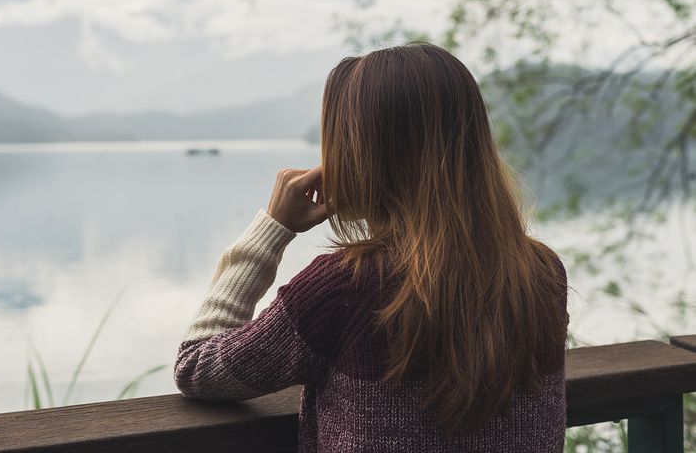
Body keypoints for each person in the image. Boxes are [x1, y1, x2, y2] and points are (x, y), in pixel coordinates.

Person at [174, 43, 569, 452]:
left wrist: (271, 230)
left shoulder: (346, 287)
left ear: (362, 154)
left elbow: (197, 369)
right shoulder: (541, 272)